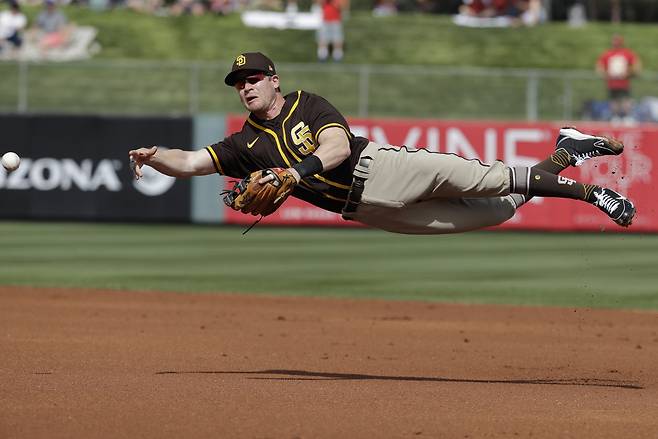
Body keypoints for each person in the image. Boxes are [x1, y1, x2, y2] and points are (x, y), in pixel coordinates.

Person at [129, 52, 636, 234]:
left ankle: (595, 196)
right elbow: (193, 161)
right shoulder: (245, 145)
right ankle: (568, 150)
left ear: (275, 80)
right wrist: (157, 157)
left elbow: (336, 149)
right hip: (368, 210)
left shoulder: (309, 104)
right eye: (239, 82)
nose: (246, 86)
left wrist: (292, 175)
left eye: (255, 77)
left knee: (490, 179)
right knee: (497, 211)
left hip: (383, 168)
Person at [596, 34, 642, 123]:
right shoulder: (607, 54)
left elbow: (636, 65)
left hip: (624, 82)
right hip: (612, 82)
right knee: (614, 101)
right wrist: (606, 74)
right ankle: (615, 117)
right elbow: (600, 66)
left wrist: (628, 73)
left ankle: (627, 116)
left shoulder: (627, 53)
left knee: (626, 100)